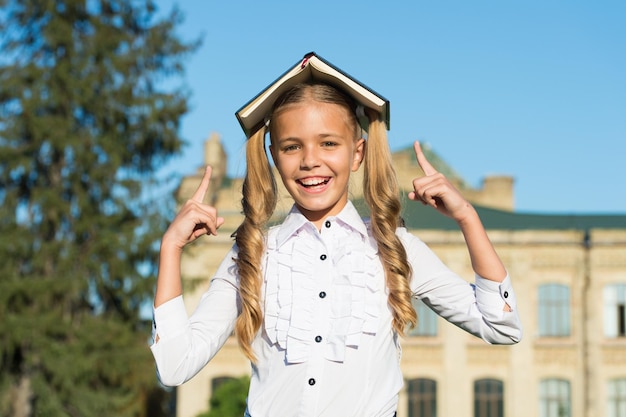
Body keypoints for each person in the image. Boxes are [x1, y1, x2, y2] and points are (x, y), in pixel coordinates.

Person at [150, 53, 522, 417]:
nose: (310, 160)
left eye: (328, 143)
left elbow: (500, 325)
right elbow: (175, 366)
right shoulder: (252, 254)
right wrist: (170, 248)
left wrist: (467, 217)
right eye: (292, 146)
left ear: (357, 153)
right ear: (275, 156)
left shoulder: (393, 248)